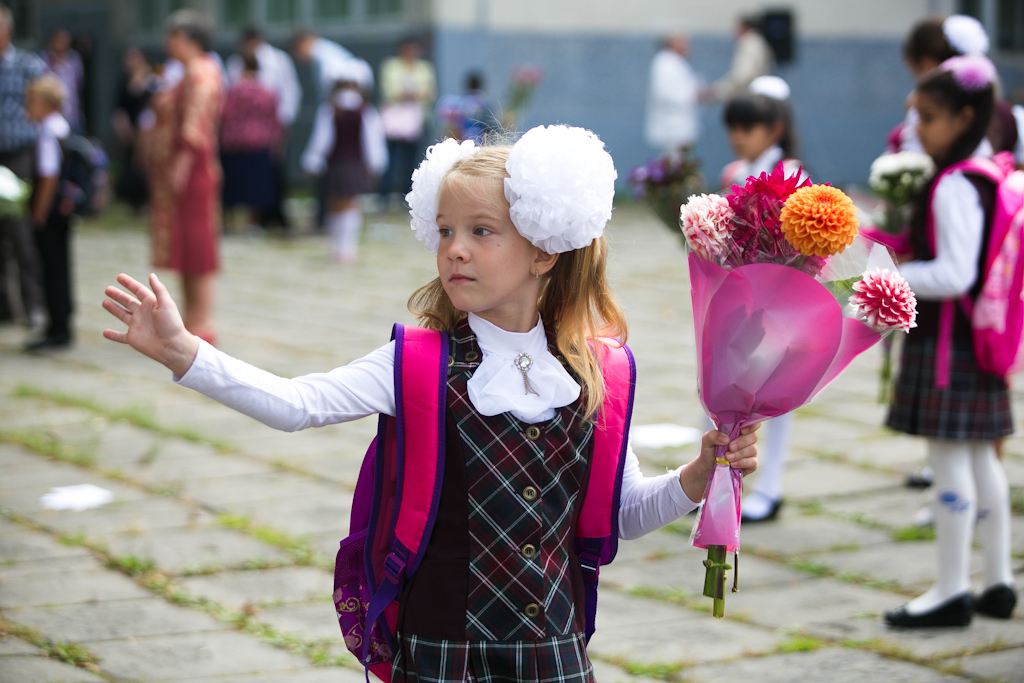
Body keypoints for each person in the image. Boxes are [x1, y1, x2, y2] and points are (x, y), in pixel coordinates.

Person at [100, 125, 760, 679]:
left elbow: (619, 515)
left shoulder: (598, 373)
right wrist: (186, 353)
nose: (456, 249)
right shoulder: (417, 362)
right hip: (441, 656)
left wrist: (697, 477)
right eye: (445, 230)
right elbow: (297, 403)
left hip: (555, 656)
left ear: (544, 249)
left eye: (482, 230)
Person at [883, 56, 1016, 628]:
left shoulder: (950, 184)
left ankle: (951, 588)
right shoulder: (990, 174)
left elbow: (956, 273)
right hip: (980, 339)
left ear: (965, 118)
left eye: (929, 117)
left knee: (950, 465)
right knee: (981, 460)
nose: (917, 129)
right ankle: (999, 580)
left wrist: (888, 276)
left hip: (946, 344)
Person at [146, 10, 223, 345]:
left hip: (193, 171)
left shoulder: (201, 71)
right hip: (185, 171)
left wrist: (181, 167)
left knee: (198, 246)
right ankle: (190, 317)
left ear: (191, 40)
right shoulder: (188, 71)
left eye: (174, 36)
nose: (168, 43)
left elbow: (195, 125)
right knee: (186, 247)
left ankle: (201, 319)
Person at [301, 69, 386, 264]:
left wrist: (312, 161)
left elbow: (321, 140)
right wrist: (375, 164)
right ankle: (347, 248)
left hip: (337, 162)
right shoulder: (365, 110)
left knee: (337, 204)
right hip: (355, 163)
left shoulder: (331, 109)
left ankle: (339, 247)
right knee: (350, 204)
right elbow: (373, 141)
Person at [226, 27, 301, 234]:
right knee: (257, 182)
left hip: (241, 138)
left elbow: (289, 92)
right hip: (262, 136)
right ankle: (255, 222)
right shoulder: (264, 91)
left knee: (259, 181)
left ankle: (261, 218)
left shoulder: (277, 60)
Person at [0, 4, 47, 328]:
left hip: (18, 155)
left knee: (21, 233)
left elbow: (51, 101)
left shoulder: (27, 65)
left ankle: (34, 304)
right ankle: (4, 306)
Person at [24, 75, 73, 351]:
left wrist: (38, 214)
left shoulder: (47, 132)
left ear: (45, 104)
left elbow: (48, 176)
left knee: (51, 268)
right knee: (61, 267)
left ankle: (57, 328)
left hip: (51, 212)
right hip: (64, 211)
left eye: (30, 101)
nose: (26, 107)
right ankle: (62, 322)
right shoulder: (63, 126)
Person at [220, 52, 282, 232]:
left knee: (231, 186)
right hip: (260, 142)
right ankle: (253, 224)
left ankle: (228, 224)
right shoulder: (267, 91)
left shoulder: (232, 91)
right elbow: (274, 118)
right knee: (257, 187)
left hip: (234, 143)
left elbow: (224, 114)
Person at [377, 37, 436, 207]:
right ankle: (384, 195)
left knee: (411, 160)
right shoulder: (391, 66)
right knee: (391, 158)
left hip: (415, 119)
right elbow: (390, 90)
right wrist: (411, 94)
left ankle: (407, 194)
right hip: (394, 120)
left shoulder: (424, 68)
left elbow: (429, 92)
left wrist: (409, 94)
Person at [719, 76, 800, 190]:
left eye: (747, 129)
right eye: (733, 128)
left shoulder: (791, 176)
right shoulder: (731, 174)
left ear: (776, 129)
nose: (737, 137)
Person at [112, 47, 156, 210]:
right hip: (129, 130)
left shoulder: (151, 79)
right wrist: (123, 128)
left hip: (147, 130)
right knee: (131, 164)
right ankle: (133, 199)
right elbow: (119, 108)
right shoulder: (124, 81)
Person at [645, 34, 700, 156]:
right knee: (673, 165)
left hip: (680, 126)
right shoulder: (664, 62)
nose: (687, 46)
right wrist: (693, 96)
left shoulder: (677, 62)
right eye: (682, 41)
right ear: (672, 43)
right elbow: (664, 94)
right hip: (672, 126)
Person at [707, 15, 773, 102]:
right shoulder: (758, 42)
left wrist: (720, 90)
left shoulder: (749, 44)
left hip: (748, 99)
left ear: (744, 27)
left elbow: (743, 76)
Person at [40, 28, 84, 133]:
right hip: (51, 119)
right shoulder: (44, 61)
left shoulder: (74, 61)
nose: (61, 43)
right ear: (52, 41)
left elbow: (79, 85)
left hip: (73, 117)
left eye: (64, 40)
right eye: (58, 40)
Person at [435, 72, 499, 143]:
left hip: (462, 141)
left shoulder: (459, 102)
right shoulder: (484, 102)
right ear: (481, 85)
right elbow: (491, 125)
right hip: (480, 141)